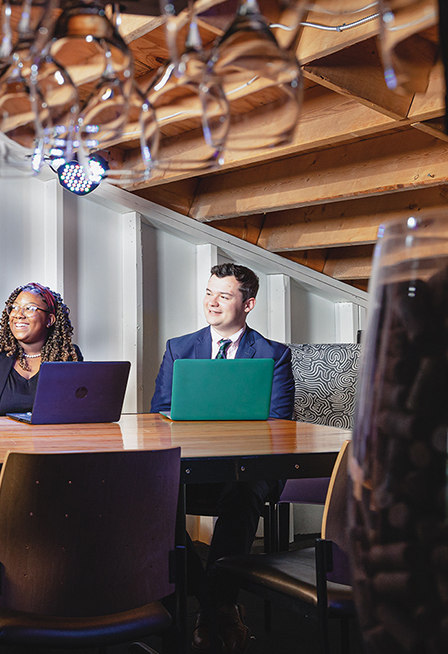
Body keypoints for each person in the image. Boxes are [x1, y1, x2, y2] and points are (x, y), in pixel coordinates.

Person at [150, 263, 295, 654]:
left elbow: (279, 421)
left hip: (251, 465)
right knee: (151, 494)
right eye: (209, 293)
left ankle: (214, 605)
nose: (212, 302)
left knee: (243, 490)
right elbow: (160, 409)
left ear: (248, 304)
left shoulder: (273, 354)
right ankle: (216, 601)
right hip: (192, 464)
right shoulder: (179, 348)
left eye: (224, 295)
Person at [0, 282, 82, 538]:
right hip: (0, 462)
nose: (18, 314)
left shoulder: (68, 356)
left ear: (50, 319)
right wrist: (20, 432)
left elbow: (77, 418)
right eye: (14, 307)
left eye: (29, 308)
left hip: (53, 463)